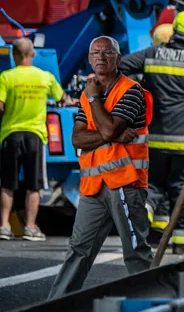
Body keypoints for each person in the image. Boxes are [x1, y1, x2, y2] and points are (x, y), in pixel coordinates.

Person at [48, 36, 153, 297]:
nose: (101, 57)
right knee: (78, 249)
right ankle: (54, 306)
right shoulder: (89, 93)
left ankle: (153, 307)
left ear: (118, 58)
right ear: (89, 58)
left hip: (125, 183)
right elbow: (77, 138)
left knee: (135, 251)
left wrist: (96, 103)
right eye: (96, 53)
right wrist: (111, 133)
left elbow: (106, 128)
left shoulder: (131, 91)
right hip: (93, 186)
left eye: (108, 53)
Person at [119, 10, 184, 252]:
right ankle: (183, 243)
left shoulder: (152, 53)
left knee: (154, 185)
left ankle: (149, 223)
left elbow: (121, 66)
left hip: (154, 139)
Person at [0, 38, 64, 241]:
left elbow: (0, 106)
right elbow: (61, 98)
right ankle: (30, 227)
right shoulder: (45, 77)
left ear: (14, 55)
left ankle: (3, 226)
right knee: (34, 185)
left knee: (7, 183)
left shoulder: (6, 77)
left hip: (10, 134)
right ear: (33, 54)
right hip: (35, 136)